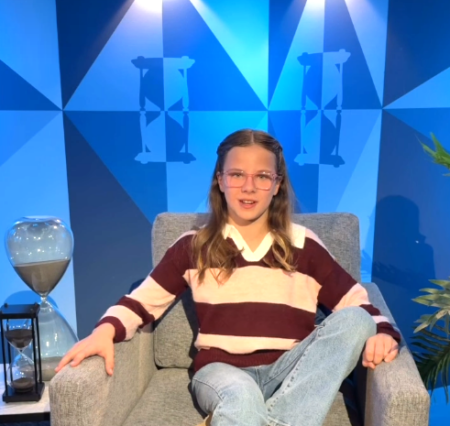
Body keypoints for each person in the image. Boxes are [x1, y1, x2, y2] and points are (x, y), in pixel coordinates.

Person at [56, 129, 400, 426]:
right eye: (237, 175)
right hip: (221, 371)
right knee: (241, 400)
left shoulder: (304, 244)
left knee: (356, 321)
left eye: (262, 176)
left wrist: (383, 332)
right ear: (220, 181)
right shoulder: (194, 246)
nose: (249, 187)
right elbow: (141, 302)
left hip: (290, 371)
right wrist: (104, 331)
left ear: (277, 185)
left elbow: (357, 302)